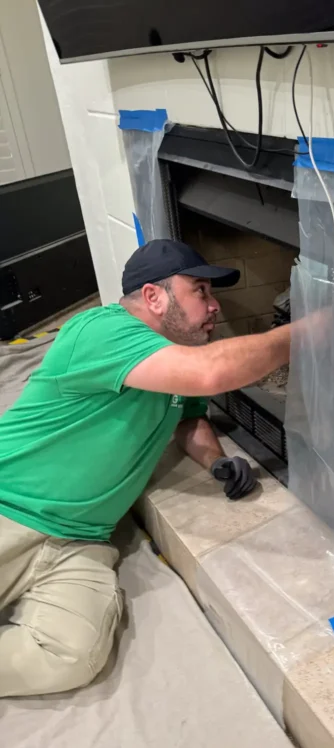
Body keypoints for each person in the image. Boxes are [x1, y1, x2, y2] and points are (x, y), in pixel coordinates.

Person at [0, 239, 294, 698]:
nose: (214, 305)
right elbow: (211, 374)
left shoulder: (172, 360)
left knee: (72, 656)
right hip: (10, 507)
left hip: (80, 540)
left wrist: (215, 461)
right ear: (154, 297)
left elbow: (189, 413)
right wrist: (306, 332)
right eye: (200, 291)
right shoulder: (99, 329)